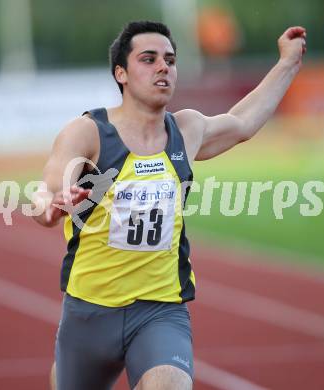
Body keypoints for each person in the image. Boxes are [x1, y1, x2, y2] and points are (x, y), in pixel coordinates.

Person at [32, 21, 306, 390]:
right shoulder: (89, 132)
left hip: (160, 309)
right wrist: (50, 206)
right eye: (149, 59)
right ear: (121, 73)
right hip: (89, 312)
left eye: (170, 59)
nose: (163, 67)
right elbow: (45, 189)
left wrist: (288, 62)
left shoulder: (186, 129)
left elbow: (242, 122)